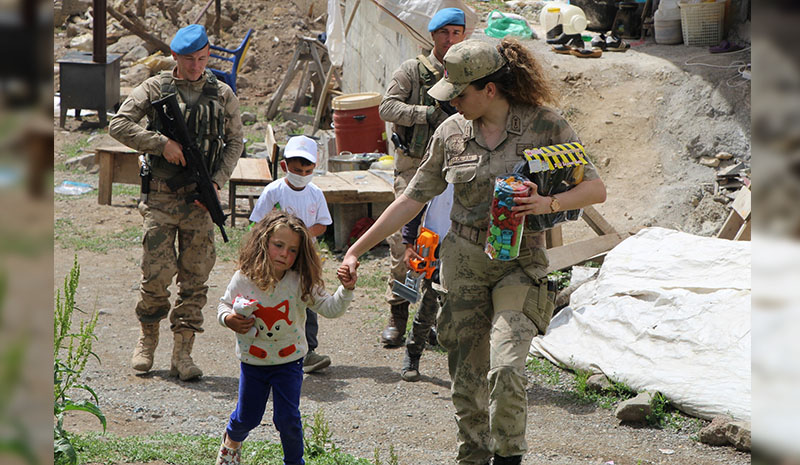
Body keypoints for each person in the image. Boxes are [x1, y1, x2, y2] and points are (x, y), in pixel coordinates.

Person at [342, 38, 607, 465]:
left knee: (505, 367)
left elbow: (596, 189)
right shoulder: (451, 133)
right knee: (465, 374)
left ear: (489, 89)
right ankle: (474, 455)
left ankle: (508, 457)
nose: (453, 103)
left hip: (520, 262)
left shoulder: (546, 126)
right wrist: (355, 250)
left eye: (459, 94)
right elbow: (411, 199)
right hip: (463, 259)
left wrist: (549, 203)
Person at [109, 24, 243, 381]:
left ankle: (183, 353)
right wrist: (160, 144)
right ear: (175, 57)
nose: (197, 66)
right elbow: (119, 124)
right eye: (189, 60)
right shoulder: (155, 88)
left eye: (202, 58)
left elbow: (235, 143)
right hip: (162, 197)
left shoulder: (223, 94)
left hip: (200, 201)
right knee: (156, 272)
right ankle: (147, 340)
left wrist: (216, 181)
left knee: (195, 277)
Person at [214, 210, 356, 465]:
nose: (284, 254)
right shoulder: (244, 278)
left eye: (292, 250)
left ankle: (295, 462)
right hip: (253, 361)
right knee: (248, 417)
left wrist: (346, 288)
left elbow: (331, 308)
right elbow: (224, 306)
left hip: (289, 361)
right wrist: (229, 319)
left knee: (288, 419)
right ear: (263, 242)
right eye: (278, 246)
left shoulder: (300, 282)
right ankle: (231, 441)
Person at [377, 7, 466, 347]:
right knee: (404, 244)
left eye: (457, 33)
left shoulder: (466, 73)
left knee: (445, 246)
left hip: (454, 169)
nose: (451, 39)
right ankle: (397, 316)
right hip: (414, 167)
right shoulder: (413, 71)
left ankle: (432, 320)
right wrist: (426, 113)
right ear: (433, 36)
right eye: (445, 33)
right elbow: (387, 107)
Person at [248, 135, 334, 374]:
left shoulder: (315, 193)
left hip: (305, 258)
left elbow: (323, 224)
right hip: (276, 259)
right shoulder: (274, 191)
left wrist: (301, 236)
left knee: (307, 300)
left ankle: (309, 351)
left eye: (308, 170)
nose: (303, 174)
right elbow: (257, 223)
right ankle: (269, 345)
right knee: (274, 300)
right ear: (285, 167)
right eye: (297, 170)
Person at [398, 184, 453, 382]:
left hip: (467, 248)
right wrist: (409, 243)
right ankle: (413, 354)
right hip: (434, 247)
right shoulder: (438, 167)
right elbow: (415, 203)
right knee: (429, 304)